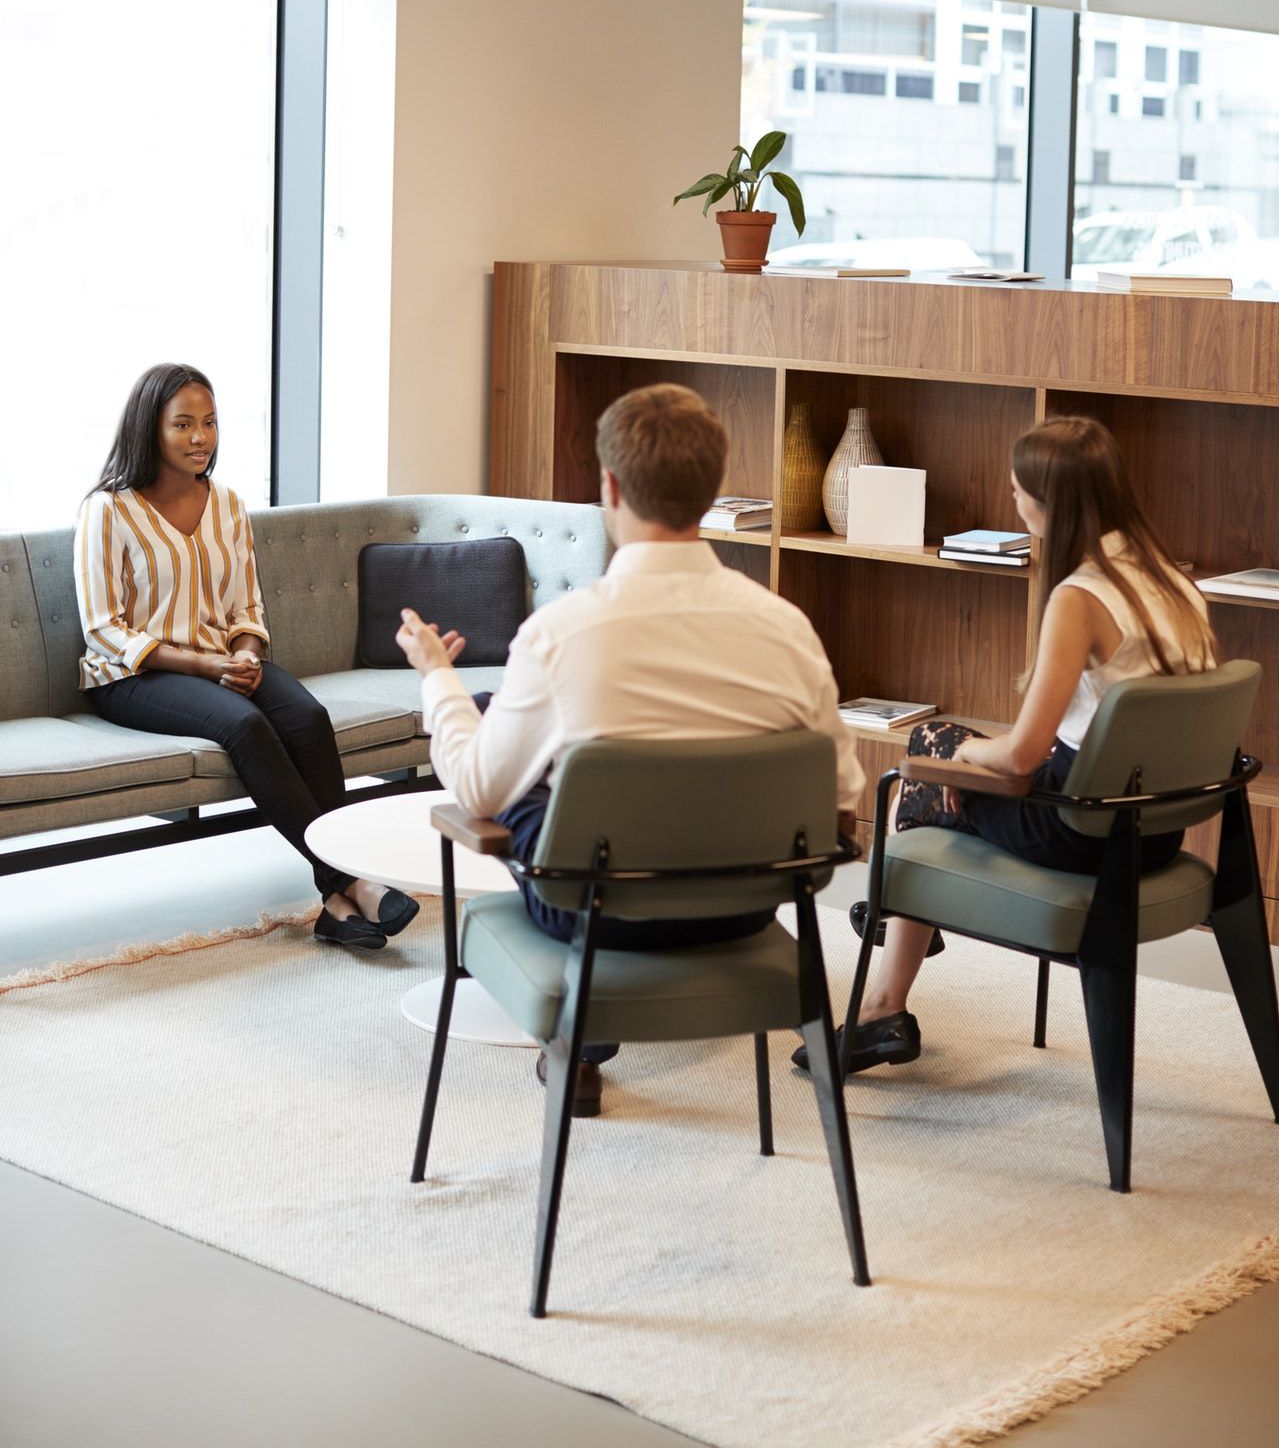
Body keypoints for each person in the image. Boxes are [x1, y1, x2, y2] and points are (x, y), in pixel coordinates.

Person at [396, 382, 865, 1116]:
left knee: (526, 763)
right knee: (574, 760)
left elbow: (477, 792)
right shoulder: (786, 629)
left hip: (594, 914)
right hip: (744, 910)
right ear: (712, 491)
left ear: (610, 488)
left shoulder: (563, 634)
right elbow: (842, 799)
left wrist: (437, 682)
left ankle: (576, 1046)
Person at [816, 413, 1218, 1078]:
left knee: (919, 770)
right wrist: (964, 754)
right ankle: (893, 922)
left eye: (1016, 492)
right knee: (935, 742)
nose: (1013, 502)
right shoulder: (1173, 583)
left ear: (1047, 503)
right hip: (1155, 825)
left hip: (1082, 828)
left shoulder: (1081, 596)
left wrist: (964, 759)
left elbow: (1023, 758)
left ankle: (886, 984)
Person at [75, 363, 419, 951]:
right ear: (148, 429)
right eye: (182, 424)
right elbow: (105, 629)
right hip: (134, 676)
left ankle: (338, 907)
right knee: (246, 725)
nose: (200, 437)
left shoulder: (228, 504)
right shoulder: (108, 510)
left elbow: (246, 605)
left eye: (208, 423)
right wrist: (208, 666)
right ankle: (346, 880)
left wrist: (246, 652)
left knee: (308, 719)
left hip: (225, 660)